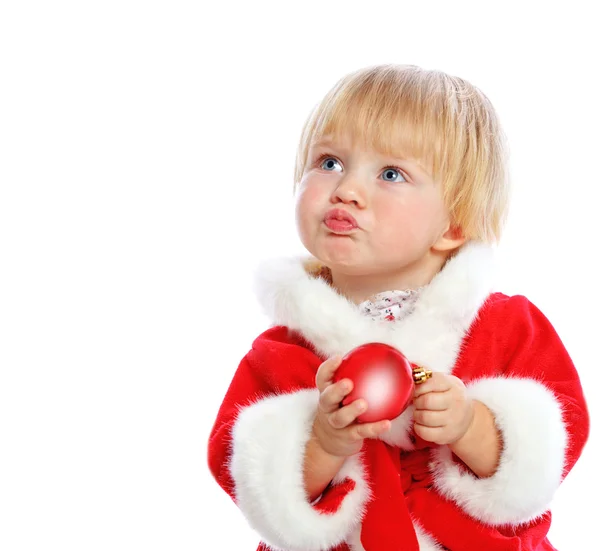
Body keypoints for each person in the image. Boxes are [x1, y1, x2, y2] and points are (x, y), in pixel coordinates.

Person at [206, 64, 590, 551]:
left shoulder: (507, 327)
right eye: (328, 162)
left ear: (453, 225)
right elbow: (251, 480)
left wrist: (470, 425)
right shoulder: (281, 350)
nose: (346, 189)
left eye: (391, 174)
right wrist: (323, 443)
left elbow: (552, 447)